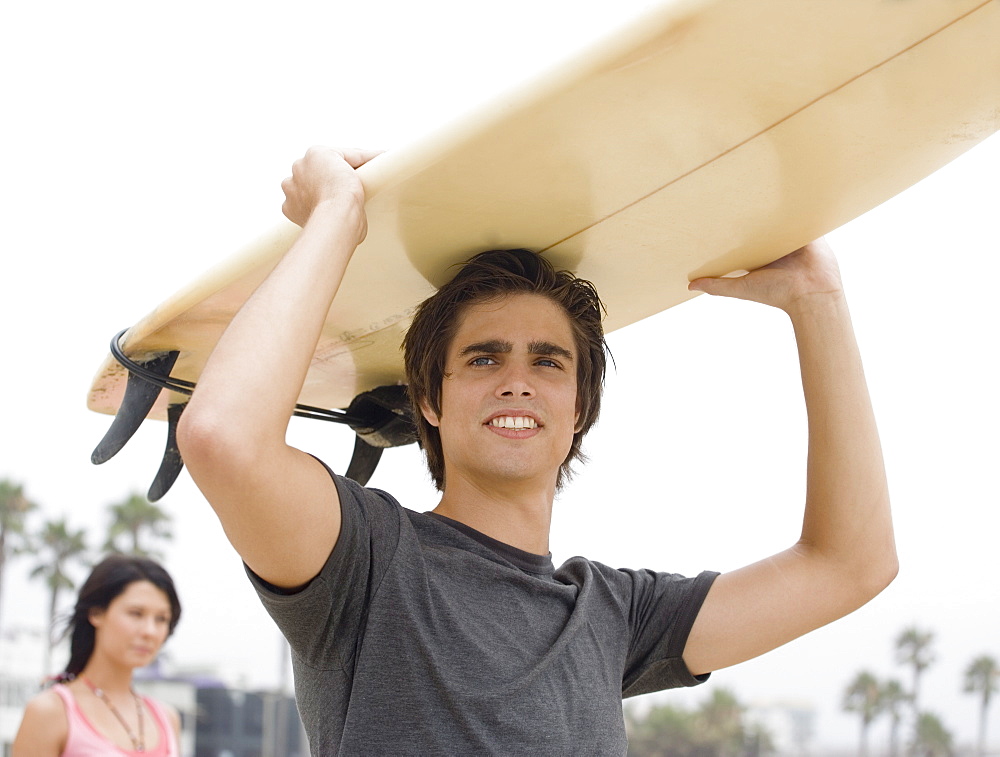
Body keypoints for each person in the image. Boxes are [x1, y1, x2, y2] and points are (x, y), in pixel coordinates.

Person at [176, 147, 898, 755]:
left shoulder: (616, 616)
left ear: (578, 407)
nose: (518, 382)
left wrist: (818, 299)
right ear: (430, 398)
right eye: (485, 360)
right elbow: (224, 439)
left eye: (548, 362)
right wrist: (338, 215)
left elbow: (850, 565)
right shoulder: (364, 560)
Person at [13, 555, 183, 757]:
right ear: (96, 613)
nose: (150, 631)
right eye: (136, 613)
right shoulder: (50, 712)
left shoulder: (167, 718)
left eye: (161, 619)